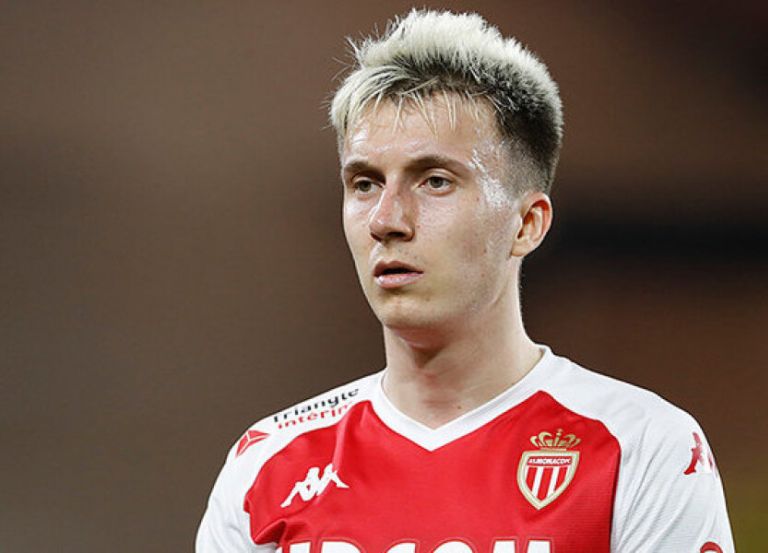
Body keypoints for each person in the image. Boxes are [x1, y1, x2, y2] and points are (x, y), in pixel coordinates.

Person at [196, 9, 734, 553]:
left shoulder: (641, 447)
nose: (386, 219)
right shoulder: (266, 464)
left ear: (527, 224)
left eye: (434, 181)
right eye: (364, 183)